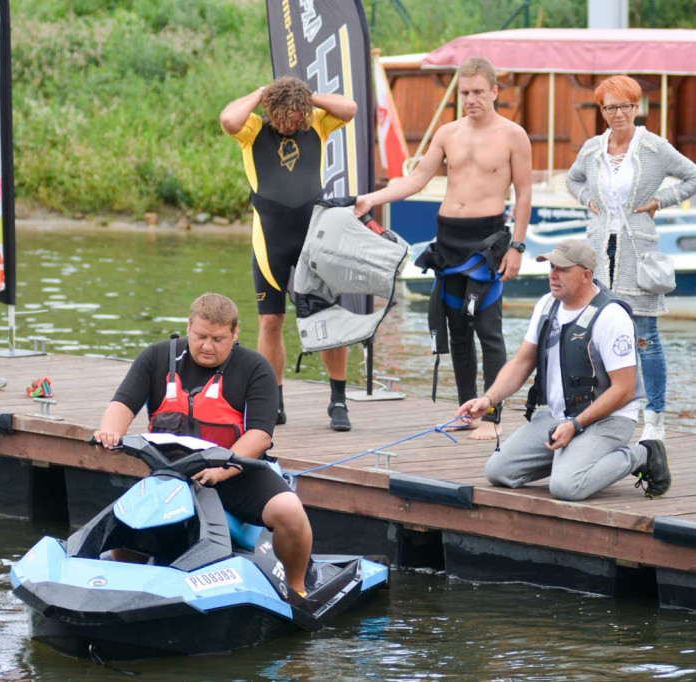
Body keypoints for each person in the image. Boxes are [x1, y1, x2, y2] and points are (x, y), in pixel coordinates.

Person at [355, 56, 532, 441]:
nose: (471, 99)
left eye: (478, 92)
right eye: (465, 93)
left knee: (488, 330)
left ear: (495, 92)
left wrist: (517, 246)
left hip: (487, 243)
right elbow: (417, 179)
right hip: (448, 240)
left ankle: (492, 415)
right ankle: (468, 410)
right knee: (457, 333)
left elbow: (523, 195)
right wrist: (372, 198)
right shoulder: (448, 133)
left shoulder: (513, 135)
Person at [92, 293, 314, 596]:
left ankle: (296, 588)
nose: (208, 346)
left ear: (235, 333)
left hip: (236, 474)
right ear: (189, 326)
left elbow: (260, 435)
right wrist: (109, 431)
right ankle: (124, 591)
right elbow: (122, 404)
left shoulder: (256, 368)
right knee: (129, 524)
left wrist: (222, 470)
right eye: (201, 336)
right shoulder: (157, 358)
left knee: (289, 510)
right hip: (170, 476)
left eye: (218, 339)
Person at [456, 239, 671, 501]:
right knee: (499, 472)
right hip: (559, 417)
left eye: (563, 269)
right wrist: (488, 400)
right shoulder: (547, 305)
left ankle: (643, 455)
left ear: (586, 275)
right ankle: (572, 457)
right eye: (551, 268)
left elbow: (625, 390)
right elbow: (523, 361)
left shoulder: (611, 316)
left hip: (609, 420)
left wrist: (577, 425)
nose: (553, 275)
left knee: (566, 487)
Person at [565, 75, 696, 446]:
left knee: (645, 335)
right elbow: (573, 180)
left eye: (625, 105)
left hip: (637, 251)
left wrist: (662, 200)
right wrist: (586, 200)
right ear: (602, 111)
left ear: (636, 106)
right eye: (610, 107)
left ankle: (655, 415)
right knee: (598, 333)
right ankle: (605, 407)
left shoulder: (653, 147)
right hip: (597, 249)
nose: (619, 113)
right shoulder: (593, 148)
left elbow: (695, 177)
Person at [220, 77, 358, 431]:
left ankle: (338, 400)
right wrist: (261, 92)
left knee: (327, 315)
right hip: (270, 238)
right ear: (273, 110)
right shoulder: (253, 130)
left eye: (302, 116)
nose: (297, 123)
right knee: (271, 320)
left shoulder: (318, 125)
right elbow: (228, 120)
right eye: (291, 116)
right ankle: (274, 401)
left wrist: (308, 99)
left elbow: (350, 108)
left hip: (314, 235)